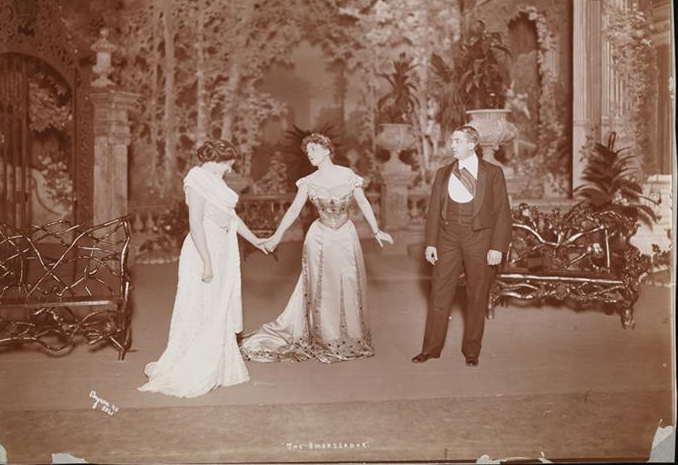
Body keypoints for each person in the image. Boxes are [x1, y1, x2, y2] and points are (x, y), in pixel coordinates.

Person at [240, 133, 393, 363]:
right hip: (319, 238)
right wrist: (276, 236)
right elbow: (293, 210)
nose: (309, 154)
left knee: (348, 281)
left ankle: (349, 337)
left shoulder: (347, 175)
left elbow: (363, 202)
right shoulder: (308, 181)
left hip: (345, 236)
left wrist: (376, 230)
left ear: (327, 150)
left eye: (313, 149)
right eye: (307, 151)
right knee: (322, 285)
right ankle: (324, 338)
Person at [139, 139, 267, 398]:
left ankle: (218, 366)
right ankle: (195, 364)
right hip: (202, 249)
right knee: (200, 304)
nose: (230, 169)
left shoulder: (216, 181)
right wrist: (207, 261)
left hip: (221, 247)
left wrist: (256, 240)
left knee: (217, 304)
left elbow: (231, 217)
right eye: (228, 164)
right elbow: (195, 223)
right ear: (216, 161)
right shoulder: (196, 180)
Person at [412, 125, 511, 367]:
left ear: (472, 144)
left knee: (476, 295)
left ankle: (471, 351)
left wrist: (497, 247)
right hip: (448, 238)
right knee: (439, 292)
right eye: (452, 141)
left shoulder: (493, 173)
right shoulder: (444, 173)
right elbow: (434, 211)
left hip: (479, 238)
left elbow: (502, 213)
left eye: (457, 141)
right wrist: (431, 243)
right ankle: (430, 349)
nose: (452, 145)